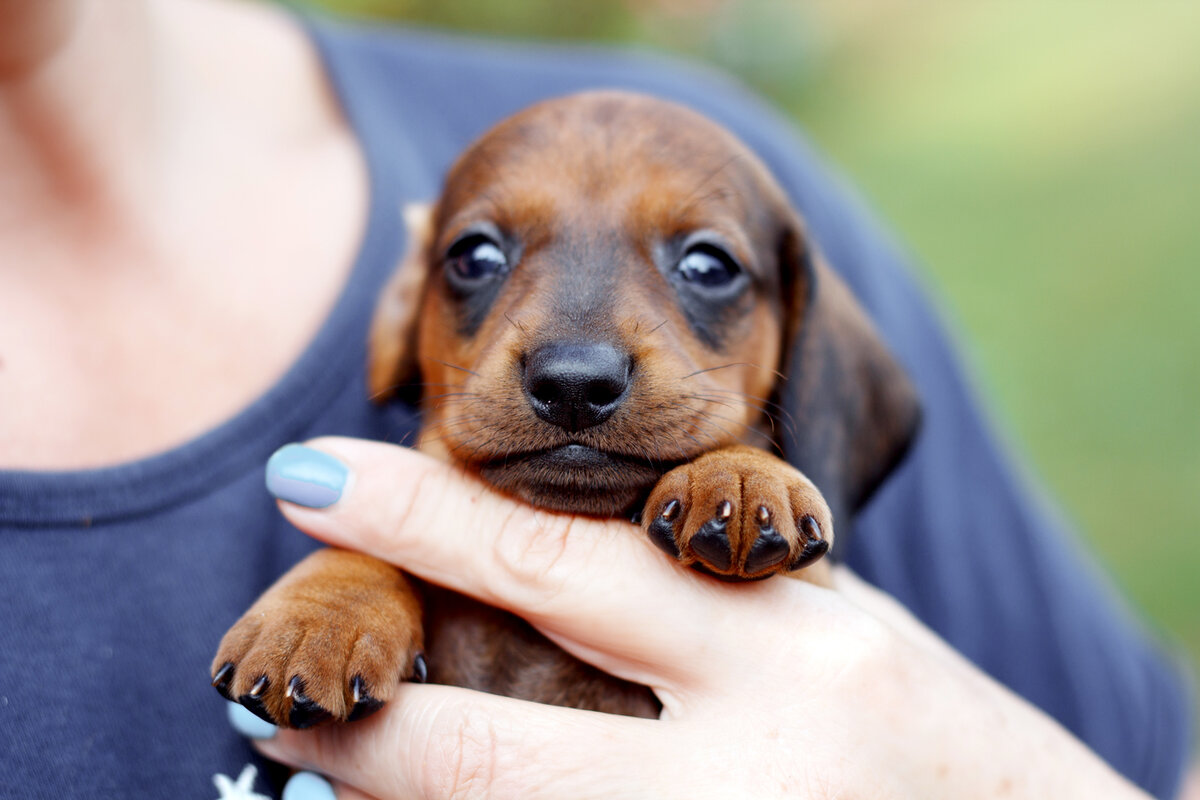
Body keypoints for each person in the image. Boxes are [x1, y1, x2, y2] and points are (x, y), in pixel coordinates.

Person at [0, 1, 1191, 799]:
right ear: (404, 317)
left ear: (799, 337)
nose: (574, 359)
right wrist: (352, 581)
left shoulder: (784, 237)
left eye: (705, 268)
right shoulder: (394, 498)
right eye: (481, 261)